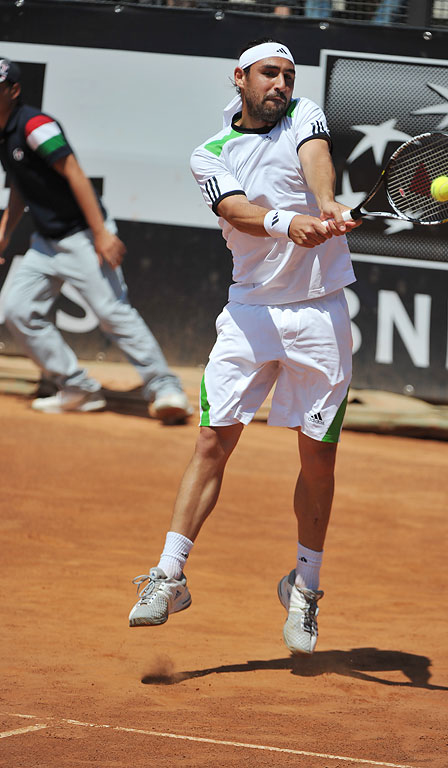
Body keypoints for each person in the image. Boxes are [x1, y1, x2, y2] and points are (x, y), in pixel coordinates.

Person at [128, 38, 360, 655]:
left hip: (321, 312)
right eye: (268, 74)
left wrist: (327, 205)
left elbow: (315, 157)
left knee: (319, 457)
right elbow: (235, 209)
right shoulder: (210, 153)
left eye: (288, 75)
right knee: (212, 441)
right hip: (250, 313)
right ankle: (169, 575)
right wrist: (289, 223)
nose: (280, 84)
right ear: (240, 79)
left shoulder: (305, 114)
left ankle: (304, 588)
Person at [0, 57, 192, 421]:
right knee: (16, 310)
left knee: (112, 313)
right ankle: (77, 388)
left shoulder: (36, 126)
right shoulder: (3, 134)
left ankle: (165, 388)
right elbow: (20, 185)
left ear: (13, 91)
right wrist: (4, 234)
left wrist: (100, 233)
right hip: (45, 243)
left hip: (83, 236)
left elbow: (75, 173)